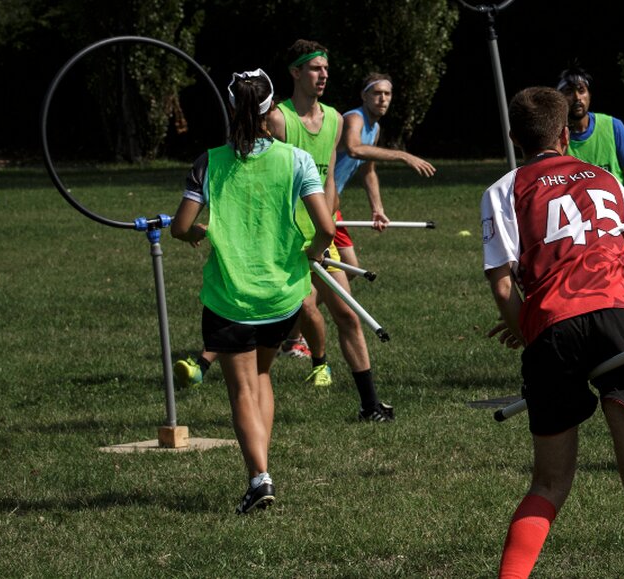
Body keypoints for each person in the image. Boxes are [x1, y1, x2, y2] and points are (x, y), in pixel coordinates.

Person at [481, 87, 624, 579]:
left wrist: (528, 325)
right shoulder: (610, 181)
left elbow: (504, 284)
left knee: (548, 483)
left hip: (554, 324)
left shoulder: (503, 189)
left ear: (513, 137)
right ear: (566, 132)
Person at [175, 41, 394, 422]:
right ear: (294, 73)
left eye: (326, 68)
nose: (323, 74)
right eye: (314, 68)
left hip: (321, 236)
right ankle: (256, 379)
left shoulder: (336, 119)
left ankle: (370, 404)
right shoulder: (278, 119)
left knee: (347, 314)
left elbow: (324, 180)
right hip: (280, 241)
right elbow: (261, 177)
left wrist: (326, 227)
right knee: (300, 308)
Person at [171, 70, 336, 513]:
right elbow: (326, 228)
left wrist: (195, 234)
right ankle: (262, 470)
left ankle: (259, 478)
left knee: (243, 389)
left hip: (231, 297)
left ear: (231, 108)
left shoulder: (209, 161)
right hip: (282, 296)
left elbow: (181, 226)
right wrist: (312, 255)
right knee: (261, 377)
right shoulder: (297, 159)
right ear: (272, 108)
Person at [332, 72, 435, 270]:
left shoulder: (375, 128)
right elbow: (355, 149)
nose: (383, 99)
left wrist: (377, 209)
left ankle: (307, 302)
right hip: (316, 199)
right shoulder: (355, 118)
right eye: (377, 93)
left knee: (348, 268)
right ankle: (305, 302)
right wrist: (403, 155)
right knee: (343, 268)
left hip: (330, 204)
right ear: (364, 96)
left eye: (387, 94)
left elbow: (368, 171)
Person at [556, 66, 624, 273]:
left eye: (581, 90)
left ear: (589, 94)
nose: (577, 97)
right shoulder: (558, 138)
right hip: (580, 231)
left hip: (621, 224)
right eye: (569, 92)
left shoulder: (613, 126)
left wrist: (621, 216)